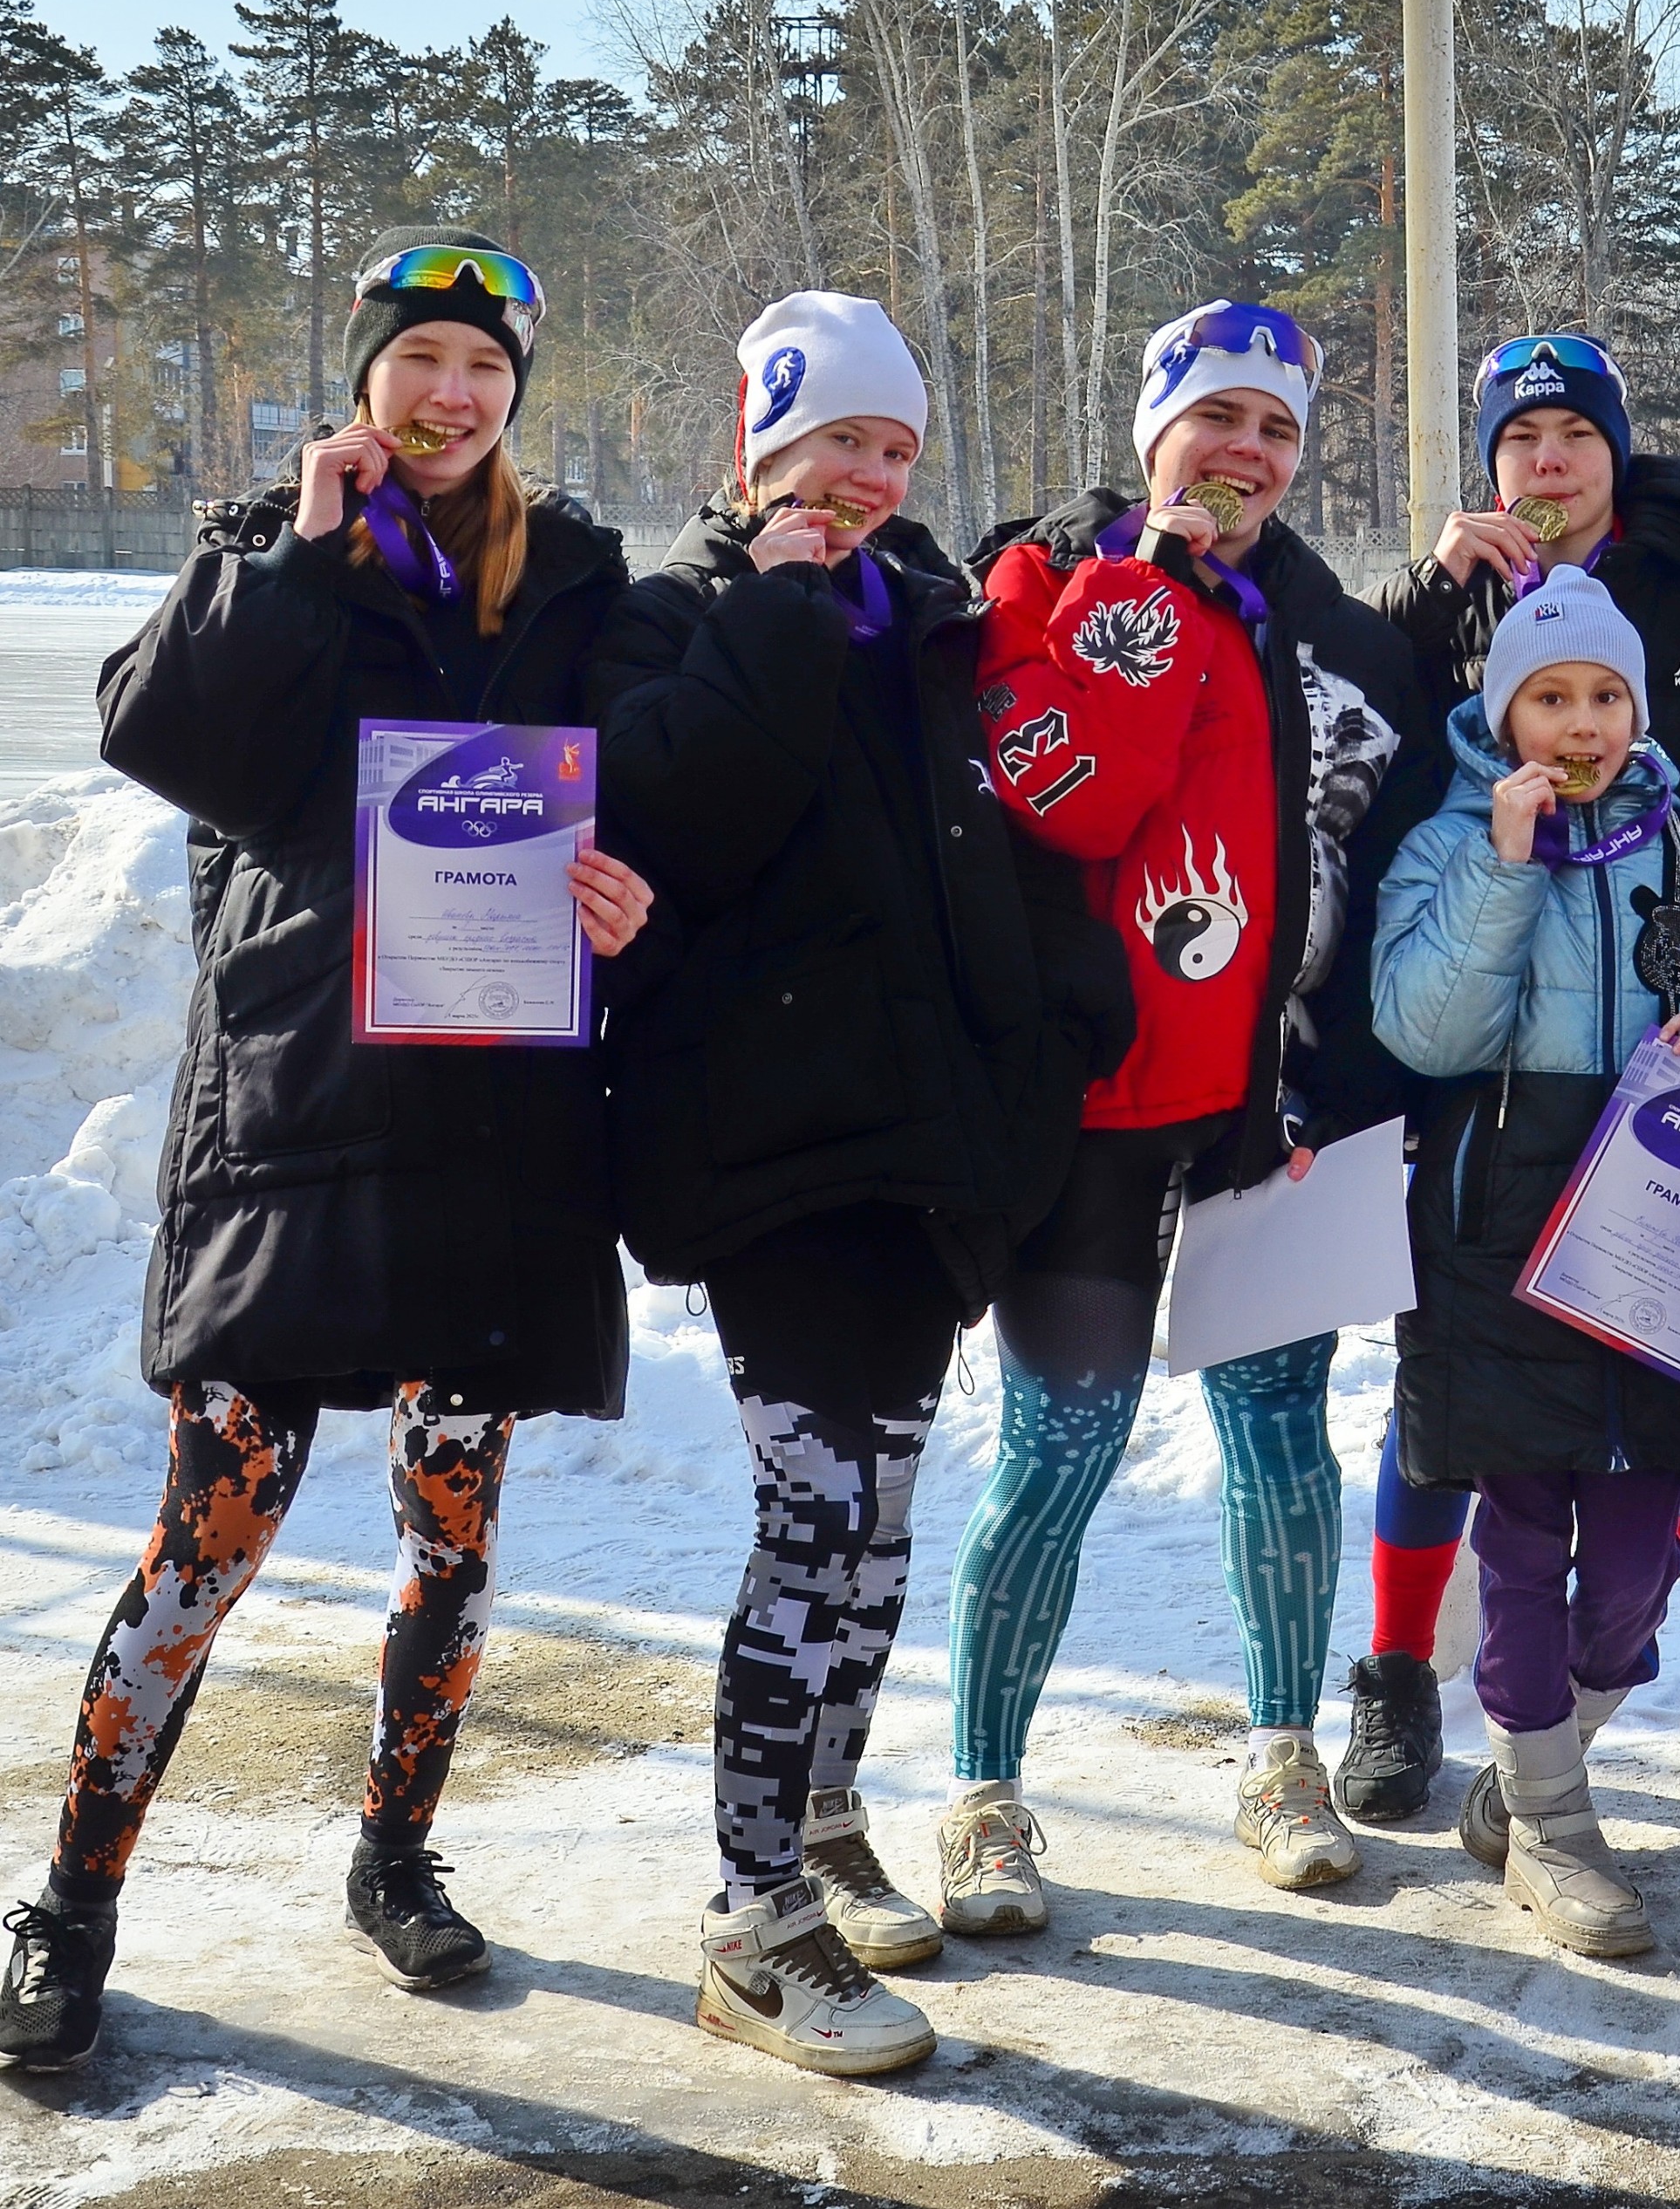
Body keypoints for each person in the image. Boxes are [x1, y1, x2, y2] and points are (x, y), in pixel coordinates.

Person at [0, 231, 653, 2073]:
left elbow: (659, 773)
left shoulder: (574, 577)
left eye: (486, 367)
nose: (453, 396)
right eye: (423, 358)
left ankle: (395, 1856)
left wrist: (630, 895)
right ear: (365, 376)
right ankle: (69, 1905)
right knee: (206, 1544)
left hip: (495, 1130)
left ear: (518, 394)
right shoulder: (264, 557)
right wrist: (295, 551)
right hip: (293, 1119)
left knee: (451, 1538)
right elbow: (156, 732)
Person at [589, 292, 1131, 2076]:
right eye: (836, 446)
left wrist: (1055, 1040)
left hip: (922, 1150)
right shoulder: (675, 619)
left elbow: (1022, 861)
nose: (869, 480)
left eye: (895, 452)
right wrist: (774, 600)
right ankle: (752, 1925)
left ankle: (821, 1826)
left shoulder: (934, 635)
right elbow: (688, 807)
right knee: (808, 1526)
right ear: (759, 452)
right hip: (767, 1153)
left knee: (878, 1523)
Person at [946, 301, 1438, 1915]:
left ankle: (1284, 1753)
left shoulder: (1350, 639)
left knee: (1277, 1436)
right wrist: (1147, 587)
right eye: (1215, 417)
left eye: (1278, 430)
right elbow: (1054, 794)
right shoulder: (1040, 574)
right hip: (1093, 1115)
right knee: (1060, 1449)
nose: (1245, 454)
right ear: (1154, 425)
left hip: (1274, 1119)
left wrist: (1352, 1090)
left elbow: (1384, 878)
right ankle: (985, 1794)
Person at [1343, 332, 1680, 1821]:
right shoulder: (1443, 599)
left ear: (1618, 449)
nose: (1547, 461)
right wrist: (1431, 600)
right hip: (1477, 1070)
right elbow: (1370, 764)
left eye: (1574, 433)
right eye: (1520, 437)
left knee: (1675, 1387)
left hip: (1658, 1091)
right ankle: (1399, 1678)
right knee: (1455, 1402)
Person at [1371, 566, 1680, 1957]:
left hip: (1662, 1222)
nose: (1582, 724)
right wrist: (1501, 863)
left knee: (1639, 1562)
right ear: (1507, 713)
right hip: (1503, 1229)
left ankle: (1539, 1754)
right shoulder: (1443, 845)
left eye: (1606, 696)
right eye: (1551, 698)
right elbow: (1426, 1034)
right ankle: (1550, 1816)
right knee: (1525, 1531)